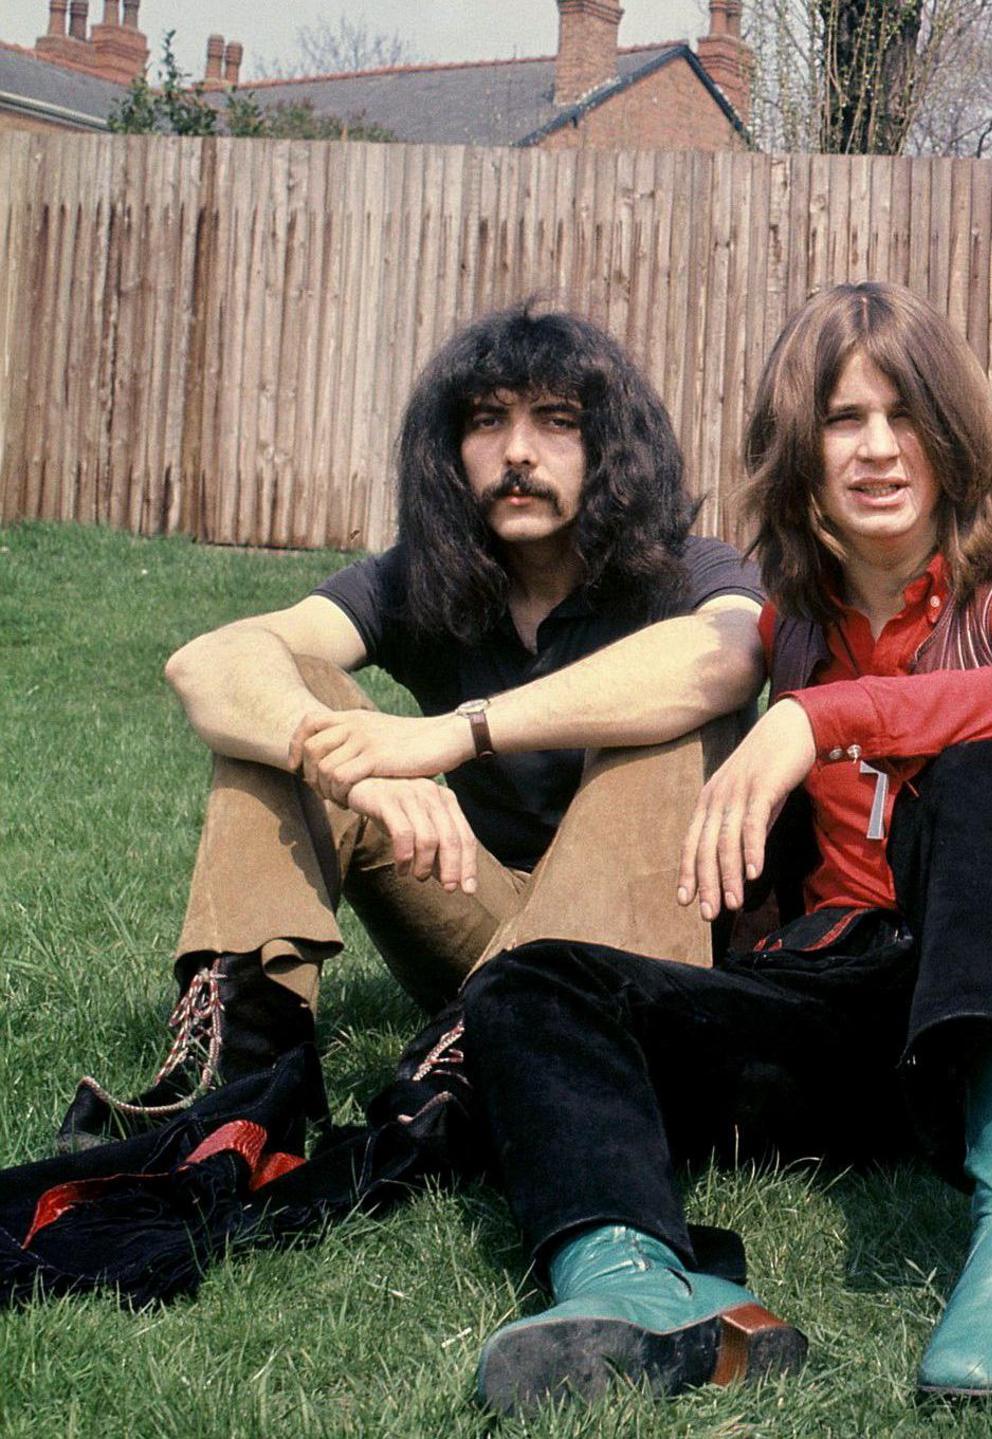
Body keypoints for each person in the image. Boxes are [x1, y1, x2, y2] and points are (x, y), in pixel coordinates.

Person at [458, 280, 992, 1413]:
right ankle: (632, 1278)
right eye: (843, 419)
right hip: (857, 1015)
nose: (878, 450)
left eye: (904, 415)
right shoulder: (789, 624)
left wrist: (819, 717)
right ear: (801, 448)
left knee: (985, 767)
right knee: (531, 984)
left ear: (950, 435)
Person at [61, 303, 765, 1151]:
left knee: (674, 726)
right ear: (449, 448)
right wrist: (347, 765)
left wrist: (456, 732)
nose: (516, 451)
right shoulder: (431, 581)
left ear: (611, 447)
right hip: (481, 909)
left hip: (638, 952)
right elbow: (210, 660)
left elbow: (726, 655)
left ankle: (499, 1059)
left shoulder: (688, 568)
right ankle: (244, 1077)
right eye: (487, 420)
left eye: (557, 422)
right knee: (296, 692)